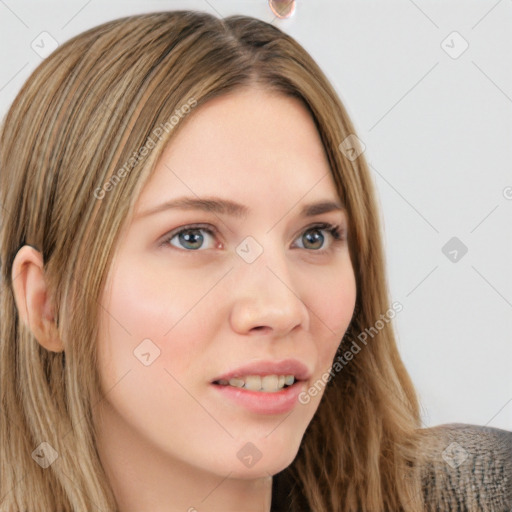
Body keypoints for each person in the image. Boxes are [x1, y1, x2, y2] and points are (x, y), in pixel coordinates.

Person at [0, 10, 510, 512]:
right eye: (193, 237)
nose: (282, 307)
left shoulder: (478, 493)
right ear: (47, 304)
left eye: (313, 237)